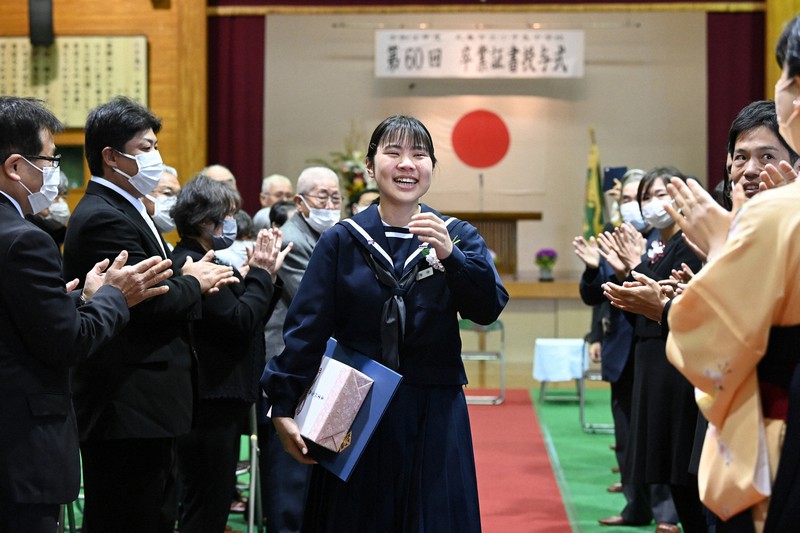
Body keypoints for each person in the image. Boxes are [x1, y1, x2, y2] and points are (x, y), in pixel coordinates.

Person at [262, 115, 508, 532]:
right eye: (392, 153)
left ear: (432, 167)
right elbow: (306, 327)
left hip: (434, 406)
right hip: (353, 403)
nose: (406, 164)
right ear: (370, 168)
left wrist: (453, 258)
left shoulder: (456, 235)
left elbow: (487, 309)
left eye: (419, 155)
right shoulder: (341, 240)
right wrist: (282, 404)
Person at [62, 95, 238, 532]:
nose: (155, 157)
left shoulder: (129, 208)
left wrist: (187, 277)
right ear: (110, 156)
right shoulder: (106, 216)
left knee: (154, 513)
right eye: (145, 148)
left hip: (146, 404)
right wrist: (194, 281)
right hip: (127, 401)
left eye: (155, 146)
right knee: (128, 516)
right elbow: (146, 299)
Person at [0, 96, 173, 533]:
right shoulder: (26, 240)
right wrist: (113, 296)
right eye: (50, 158)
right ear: (16, 167)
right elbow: (66, 343)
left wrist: (74, 302)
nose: (55, 170)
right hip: (19, 446)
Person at [665, 15, 800, 531]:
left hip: (778, 443)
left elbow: (706, 346)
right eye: (739, 157)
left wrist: (721, 249)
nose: (748, 170)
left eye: (785, 73)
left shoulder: (778, 214)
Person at [171, 174, 290, 533]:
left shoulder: (209, 258)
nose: (233, 224)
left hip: (217, 399)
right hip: (210, 402)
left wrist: (263, 277)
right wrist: (261, 274)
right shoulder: (197, 263)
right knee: (208, 504)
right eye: (228, 216)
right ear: (205, 221)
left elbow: (251, 321)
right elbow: (240, 321)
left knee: (212, 500)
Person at [598, 167, 705, 533]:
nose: (651, 204)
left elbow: (663, 305)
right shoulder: (658, 246)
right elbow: (640, 312)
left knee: (682, 472)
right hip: (651, 359)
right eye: (645, 197)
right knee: (670, 469)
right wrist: (630, 271)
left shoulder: (688, 242)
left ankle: (669, 519)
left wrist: (634, 265)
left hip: (673, 363)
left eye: (660, 194)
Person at [573, 169, 679, 529]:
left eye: (642, 197)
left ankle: (666, 513)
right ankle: (636, 507)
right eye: (630, 199)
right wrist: (592, 270)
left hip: (658, 348)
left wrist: (633, 268)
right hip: (623, 347)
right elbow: (597, 295)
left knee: (657, 435)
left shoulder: (665, 240)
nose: (636, 206)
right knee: (627, 435)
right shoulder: (620, 237)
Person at [259, 166, 341, 533]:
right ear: (300, 202)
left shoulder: (327, 236)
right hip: (289, 367)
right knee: (290, 473)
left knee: (315, 467)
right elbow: (321, 302)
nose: (330, 203)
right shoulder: (291, 239)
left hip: (320, 367)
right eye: (322, 196)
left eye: (336, 197)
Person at [142, 164, 182, 236]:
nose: (175, 201)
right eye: (167, 193)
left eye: (178, 196)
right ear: (142, 194)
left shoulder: (167, 246)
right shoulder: (127, 236)